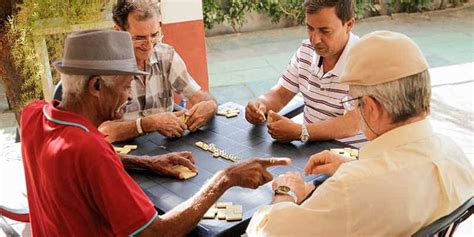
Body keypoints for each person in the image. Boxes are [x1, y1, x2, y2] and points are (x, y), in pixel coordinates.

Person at [20, 30, 290, 236]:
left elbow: (77, 169)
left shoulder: (33, 114)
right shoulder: (89, 149)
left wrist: (145, 162)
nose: (128, 96)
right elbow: (156, 232)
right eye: (126, 86)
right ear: (97, 85)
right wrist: (226, 178)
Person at [246, 31, 474, 236]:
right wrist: (357, 164)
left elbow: (270, 233)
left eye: (354, 101)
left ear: (372, 108)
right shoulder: (454, 154)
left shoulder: (350, 188)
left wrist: (286, 192)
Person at [245, 0, 363, 145]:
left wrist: (302, 132)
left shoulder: (364, 60)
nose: (315, 39)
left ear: (349, 25)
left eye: (325, 31)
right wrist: (260, 106)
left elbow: (352, 123)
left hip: (350, 156)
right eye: (310, 28)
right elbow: (280, 95)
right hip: (310, 149)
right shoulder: (306, 50)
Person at [99, 0, 217, 143]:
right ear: (119, 32)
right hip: (122, 154)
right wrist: (148, 124)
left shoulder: (165, 55)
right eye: (140, 38)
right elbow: (101, 131)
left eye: (154, 35)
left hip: (163, 147)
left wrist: (210, 106)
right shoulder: (104, 70)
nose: (149, 46)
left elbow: (198, 96)